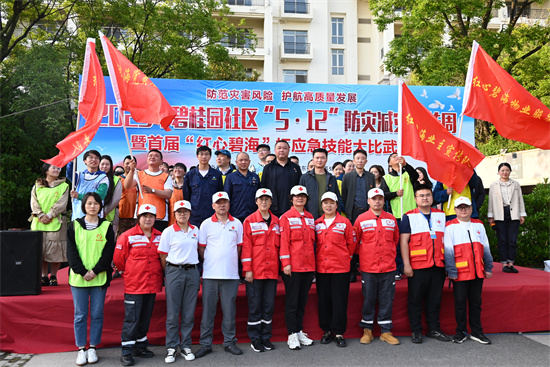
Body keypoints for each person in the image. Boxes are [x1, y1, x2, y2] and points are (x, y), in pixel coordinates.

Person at [67, 192, 115, 366]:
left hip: (99, 277)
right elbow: (71, 253)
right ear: (83, 206)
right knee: (80, 315)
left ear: (100, 206)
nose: (92, 206)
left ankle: (93, 347)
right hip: (79, 279)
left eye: (96, 203)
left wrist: (95, 271)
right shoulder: (74, 226)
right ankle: (81, 348)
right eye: (89, 203)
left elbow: (109, 252)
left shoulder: (107, 227)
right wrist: (82, 271)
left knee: (97, 314)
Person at [195, 192, 244, 358]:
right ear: (213, 205)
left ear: (229, 205)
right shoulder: (206, 224)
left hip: (231, 275)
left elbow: (238, 248)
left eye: (225, 202)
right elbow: (202, 249)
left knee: (229, 312)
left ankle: (229, 342)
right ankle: (205, 344)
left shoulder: (237, 223)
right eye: (219, 203)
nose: (222, 205)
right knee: (208, 312)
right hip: (210, 274)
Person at [399, 184, 450, 344]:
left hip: (438, 265)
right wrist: (406, 265)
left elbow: (447, 241)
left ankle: (434, 329)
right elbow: (404, 242)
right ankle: (416, 330)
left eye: (428, 195)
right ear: (415, 199)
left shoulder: (441, 215)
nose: (425, 198)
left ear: (432, 197)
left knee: (435, 299)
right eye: (421, 195)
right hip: (417, 266)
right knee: (415, 299)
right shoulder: (409, 216)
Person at [114, 204, 164, 366]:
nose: (148, 219)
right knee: (132, 319)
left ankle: (140, 346)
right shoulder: (127, 236)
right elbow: (118, 260)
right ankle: (127, 352)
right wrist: (126, 274)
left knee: (145, 317)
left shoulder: (160, 236)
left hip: (152, 285)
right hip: (134, 285)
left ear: (155, 219)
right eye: (144, 216)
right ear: (138, 218)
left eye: (151, 216)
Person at [444, 197, 494, 345]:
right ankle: (461, 332)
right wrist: (451, 271)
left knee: (476, 303)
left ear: (472, 209)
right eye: (460, 207)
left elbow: (486, 247)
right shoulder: (450, 226)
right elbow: (448, 251)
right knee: (460, 303)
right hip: (460, 273)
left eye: (466, 207)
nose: (463, 210)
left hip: (478, 271)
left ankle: (477, 332)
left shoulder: (479, 225)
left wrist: (489, 268)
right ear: (455, 210)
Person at [355, 188, 400, 346]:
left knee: (387, 299)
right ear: (368, 201)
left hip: (388, 267)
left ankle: (385, 331)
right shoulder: (360, 219)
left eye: (380, 198)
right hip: (369, 267)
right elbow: (356, 243)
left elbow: (395, 240)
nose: (377, 201)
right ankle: (367, 330)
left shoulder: (391, 219)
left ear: (383, 200)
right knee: (369, 299)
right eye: (374, 199)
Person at [158, 200, 200, 363]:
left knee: (189, 312)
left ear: (190, 213)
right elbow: (162, 255)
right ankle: (171, 347)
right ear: (174, 214)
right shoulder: (168, 231)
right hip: (174, 271)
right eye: (179, 212)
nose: (182, 214)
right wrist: (169, 272)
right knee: (173, 312)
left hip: (192, 272)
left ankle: (186, 345)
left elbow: (200, 249)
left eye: (185, 211)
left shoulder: (195, 230)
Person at [241, 188, 280, 353]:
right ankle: (255, 339)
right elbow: (246, 248)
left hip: (271, 271)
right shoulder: (249, 221)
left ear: (271, 202)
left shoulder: (278, 221)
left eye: (267, 199)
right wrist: (247, 270)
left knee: (268, 306)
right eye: (261, 199)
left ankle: (266, 337)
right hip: (255, 272)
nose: (264, 202)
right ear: (256, 202)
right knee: (255, 306)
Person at [315, 192, 355, 348]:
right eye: (325, 203)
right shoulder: (316, 223)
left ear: (337, 205)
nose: (328, 206)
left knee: (339, 301)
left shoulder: (345, 222)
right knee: (324, 301)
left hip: (340, 269)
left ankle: (338, 332)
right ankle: (326, 330)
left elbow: (351, 245)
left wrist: (345, 259)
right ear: (322, 205)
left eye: (331, 203)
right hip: (322, 269)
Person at [279, 185, 316, 350]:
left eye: (302, 196)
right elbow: (284, 242)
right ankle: (292, 334)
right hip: (293, 267)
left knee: (302, 301)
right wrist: (286, 263)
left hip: (308, 267)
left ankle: (299, 330)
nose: (300, 198)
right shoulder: (286, 217)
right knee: (292, 302)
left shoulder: (310, 217)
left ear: (306, 198)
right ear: (291, 199)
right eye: (296, 196)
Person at [341, 149, 381, 282]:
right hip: (353, 212)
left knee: (368, 241)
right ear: (353, 160)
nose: (360, 161)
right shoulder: (347, 176)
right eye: (357, 158)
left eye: (362, 158)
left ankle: (366, 268)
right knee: (353, 241)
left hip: (367, 212)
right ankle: (352, 270)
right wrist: (348, 211)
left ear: (366, 161)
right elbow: (344, 195)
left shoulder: (370, 176)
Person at [30, 163, 69, 286]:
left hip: (56, 221)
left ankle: (53, 275)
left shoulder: (64, 186)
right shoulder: (37, 185)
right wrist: (40, 214)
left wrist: (51, 214)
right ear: (46, 170)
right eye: (54, 168)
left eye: (58, 168)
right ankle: (43, 276)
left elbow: (62, 203)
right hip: (39, 221)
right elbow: (33, 201)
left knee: (55, 250)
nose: (57, 170)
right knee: (41, 250)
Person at [384, 153, 419, 280]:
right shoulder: (386, 178)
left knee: (414, 242)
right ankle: (399, 268)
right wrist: (395, 194)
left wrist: (405, 164)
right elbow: (383, 194)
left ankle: (413, 265)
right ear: (389, 163)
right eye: (393, 157)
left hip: (412, 213)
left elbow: (415, 176)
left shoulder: (407, 174)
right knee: (398, 244)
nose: (396, 157)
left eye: (397, 156)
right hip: (397, 215)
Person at [487, 162, 526, 273]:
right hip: (500, 213)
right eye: (502, 170)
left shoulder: (516, 184)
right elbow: (491, 201)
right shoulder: (493, 185)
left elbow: (520, 199)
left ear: (510, 171)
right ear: (499, 172)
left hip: (514, 213)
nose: (505, 172)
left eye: (507, 170)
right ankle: (504, 263)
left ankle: (511, 263)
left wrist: (522, 214)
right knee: (502, 240)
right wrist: (491, 216)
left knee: (512, 240)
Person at [124, 149, 173, 231]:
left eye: (156, 156)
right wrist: (132, 171)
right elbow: (127, 185)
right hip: (141, 215)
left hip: (160, 216)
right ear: (147, 159)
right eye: (150, 156)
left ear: (161, 161)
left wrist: (152, 191)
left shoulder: (166, 176)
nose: (152, 157)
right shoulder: (139, 174)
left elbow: (168, 194)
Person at [183, 146, 224, 226]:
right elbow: (186, 196)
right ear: (197, 156)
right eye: (201, 154)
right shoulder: (190, 175)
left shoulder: (217, 174)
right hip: (195, 215)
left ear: (210, 157)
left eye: (206, 154)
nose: (204, 157)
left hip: (212, 214)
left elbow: (219, 194)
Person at [260, 140, 302, 217]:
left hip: (292, 207)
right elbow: (263, 186)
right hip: (273, 208)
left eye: (284, 148)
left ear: (289, 150)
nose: (282, 150)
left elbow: (300, 186)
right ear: (275, 150)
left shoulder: (295, 168)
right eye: (279, 148)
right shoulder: (268, 168)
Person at [299, 148, 341, 220]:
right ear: (313, 159)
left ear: (326, 159)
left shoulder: (331, 178)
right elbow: (300, 197)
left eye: (322, 158)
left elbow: (337, 198)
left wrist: (338, 215)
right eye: (317, 158)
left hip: (328, 217)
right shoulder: (305, 177)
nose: (319, 160)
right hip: (309, 216)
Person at [67, 150, 109, 220]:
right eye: (91, 157)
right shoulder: (79, 175)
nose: (94, 160)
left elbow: (100, 195)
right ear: (85, 161)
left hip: (95, 216)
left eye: (96, 158)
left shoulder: (103, 177)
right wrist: (71, 162)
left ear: (99, 162)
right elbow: (69, 174)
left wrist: (79, 196)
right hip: (78, 214)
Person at [224, 152, 260, 223]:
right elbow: (226, 197)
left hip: (253, 214)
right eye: (241, 160)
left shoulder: (255, 176)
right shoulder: (230, 177)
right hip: (236, 215)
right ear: (236, 162)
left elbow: (259, 196)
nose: (243, 162)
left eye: (246, 160)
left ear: (249, 162)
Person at [100, 155, 123, 234]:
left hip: (111, 215)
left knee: (110, 240)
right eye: (102, 164)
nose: (104, 166)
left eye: (107, 164)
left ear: (111, 166)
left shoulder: (116, 180)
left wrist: (105, 211)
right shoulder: (94, 178)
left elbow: (116, 198)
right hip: (94, 214)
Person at [117, 156, 139, 237]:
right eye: (127, 163)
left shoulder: (138, 179)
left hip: (136, 216)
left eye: (131, 163)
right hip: (121, 215)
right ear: (123, 165)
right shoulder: (117, 179)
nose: (129, 165)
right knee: (121, 238)